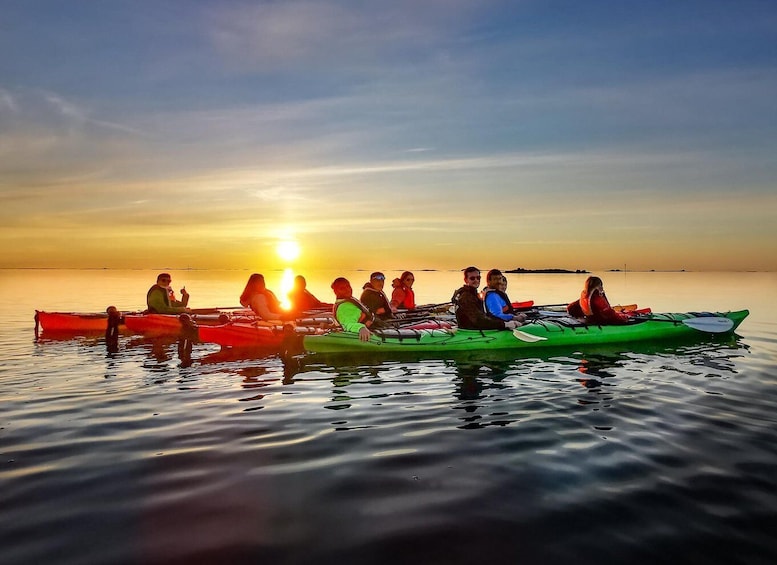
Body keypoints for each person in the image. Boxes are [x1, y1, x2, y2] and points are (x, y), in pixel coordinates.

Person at [451, 267, 519, 330]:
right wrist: (505, 324)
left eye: (478, 278)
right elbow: (479, 320)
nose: (476, 280)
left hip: (472, 328)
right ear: (466, 280)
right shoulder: (466, 297)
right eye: (472, 278)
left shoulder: (469, 293)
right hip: (472, 331)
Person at [331, 277, 375, 341]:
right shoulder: (344, 307)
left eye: (348, 286)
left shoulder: (349, 300)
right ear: (336, 291)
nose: (347, 289)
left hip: (375, 326)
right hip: (371, 332)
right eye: (342, 288)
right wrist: (361, 328)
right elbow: (348, 324)